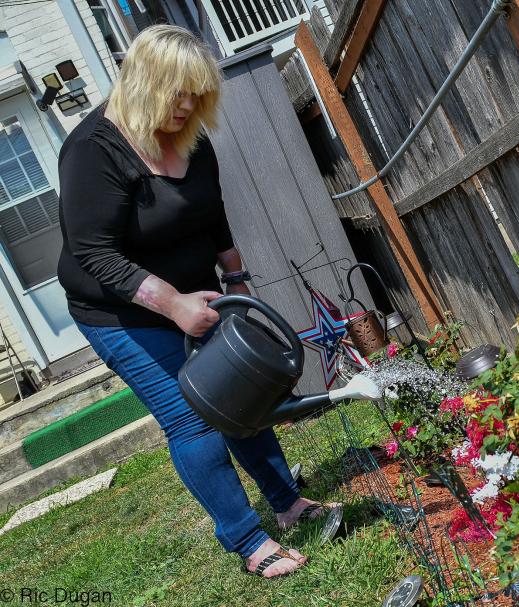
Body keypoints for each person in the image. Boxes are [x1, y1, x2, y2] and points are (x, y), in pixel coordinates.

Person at [57, 25, 328, 578]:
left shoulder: (191, 140)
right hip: (121, 311)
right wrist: (174, 304)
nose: (186, 105)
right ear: (142, 83)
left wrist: (236, 277)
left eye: (195, 92)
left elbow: (212, 211)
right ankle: (247, 539)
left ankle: (287, 502)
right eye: (175, 92)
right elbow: (94, 254)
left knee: (242, 398)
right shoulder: (93, 150)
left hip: (197, 294)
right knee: (194, 417)